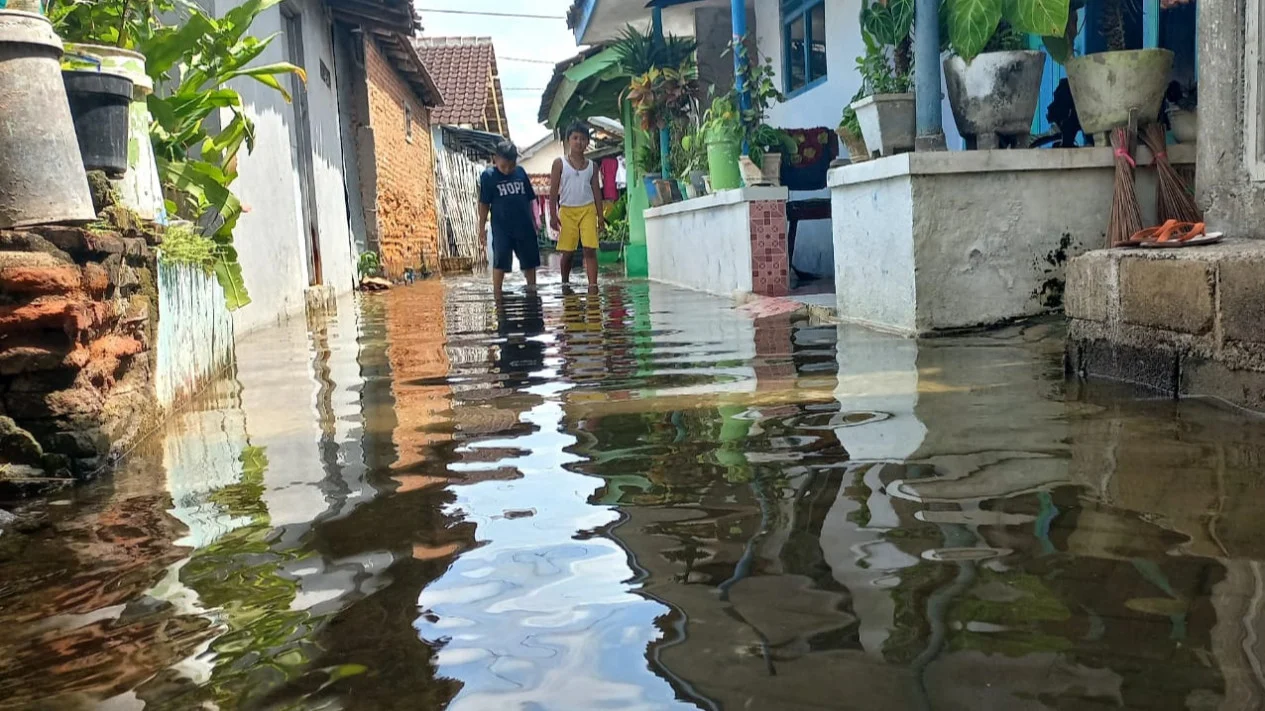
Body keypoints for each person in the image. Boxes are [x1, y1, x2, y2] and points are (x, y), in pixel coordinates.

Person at [479, 140, 540, 295]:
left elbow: (530, 199)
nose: (507, 170)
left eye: (511, 166)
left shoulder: (520, 173)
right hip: (502, 229)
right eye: (503, 166)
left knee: (529, 262)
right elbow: (484, 203)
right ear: (495, 159)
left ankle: (532, 290)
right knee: (500, 262)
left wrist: (535, 222)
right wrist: (481, 228)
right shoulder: (488, 176)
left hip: (524, 227)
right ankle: (497, 293)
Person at [549, 123, 604, 287]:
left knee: (590, 249)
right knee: (568, 251)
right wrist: (553, 215)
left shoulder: (592, 166)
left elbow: (597, 193)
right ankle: (565, 283)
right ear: (568, 141)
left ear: (587, 142)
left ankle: (593, 285)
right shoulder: (559, 163)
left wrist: (600, 217)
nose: (579, 142)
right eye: (575, 138)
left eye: (583, 139)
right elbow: (553, 192)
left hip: (588, 209)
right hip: (567, 211)